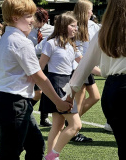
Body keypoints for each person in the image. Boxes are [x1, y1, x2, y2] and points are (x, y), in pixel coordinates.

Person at [0, 0, 72, 159]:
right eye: (28, 16)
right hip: (13, 103)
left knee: (33, 145)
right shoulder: (20, 42)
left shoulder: (6, 38)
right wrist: (59, 103)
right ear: (14, 17)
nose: (32, 20)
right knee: (11, 153)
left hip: (8, 100)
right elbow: (39, 77)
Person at [63, 0, 126, 160]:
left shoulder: (103, 33)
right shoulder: (101, 32)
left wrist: (68, 95)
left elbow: (84, 66)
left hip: (113, 93)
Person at [39, 12, 100, 159]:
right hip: (55, 84)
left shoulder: (72, 46)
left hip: (67, 85)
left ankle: (51, 156)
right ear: (63, 26)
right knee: (75, 125)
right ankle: (52, 155)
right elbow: (40, 68)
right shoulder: (50, 43)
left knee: (58, 125)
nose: (76, 29)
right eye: (73, 26)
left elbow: (86, 65)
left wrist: (108, 71)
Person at [72, 0, 101, 142]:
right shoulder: (74, 25)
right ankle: (73, 131)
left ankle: (71, 123)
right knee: (79, 100)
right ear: (85, 11)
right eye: (90, 9)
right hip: (79, 66)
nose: (92, 12)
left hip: (87, 65)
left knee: (95, 96)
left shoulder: (92, 25)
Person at [28, 7, 54, 127]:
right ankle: (25, 110)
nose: (39, 24)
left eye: (42, 21)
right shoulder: (28, 30)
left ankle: (44, 117)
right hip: (32, 64)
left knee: (47, 92)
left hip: (48, 64)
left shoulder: (51, 30)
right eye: (37, 20)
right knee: (38, 92)